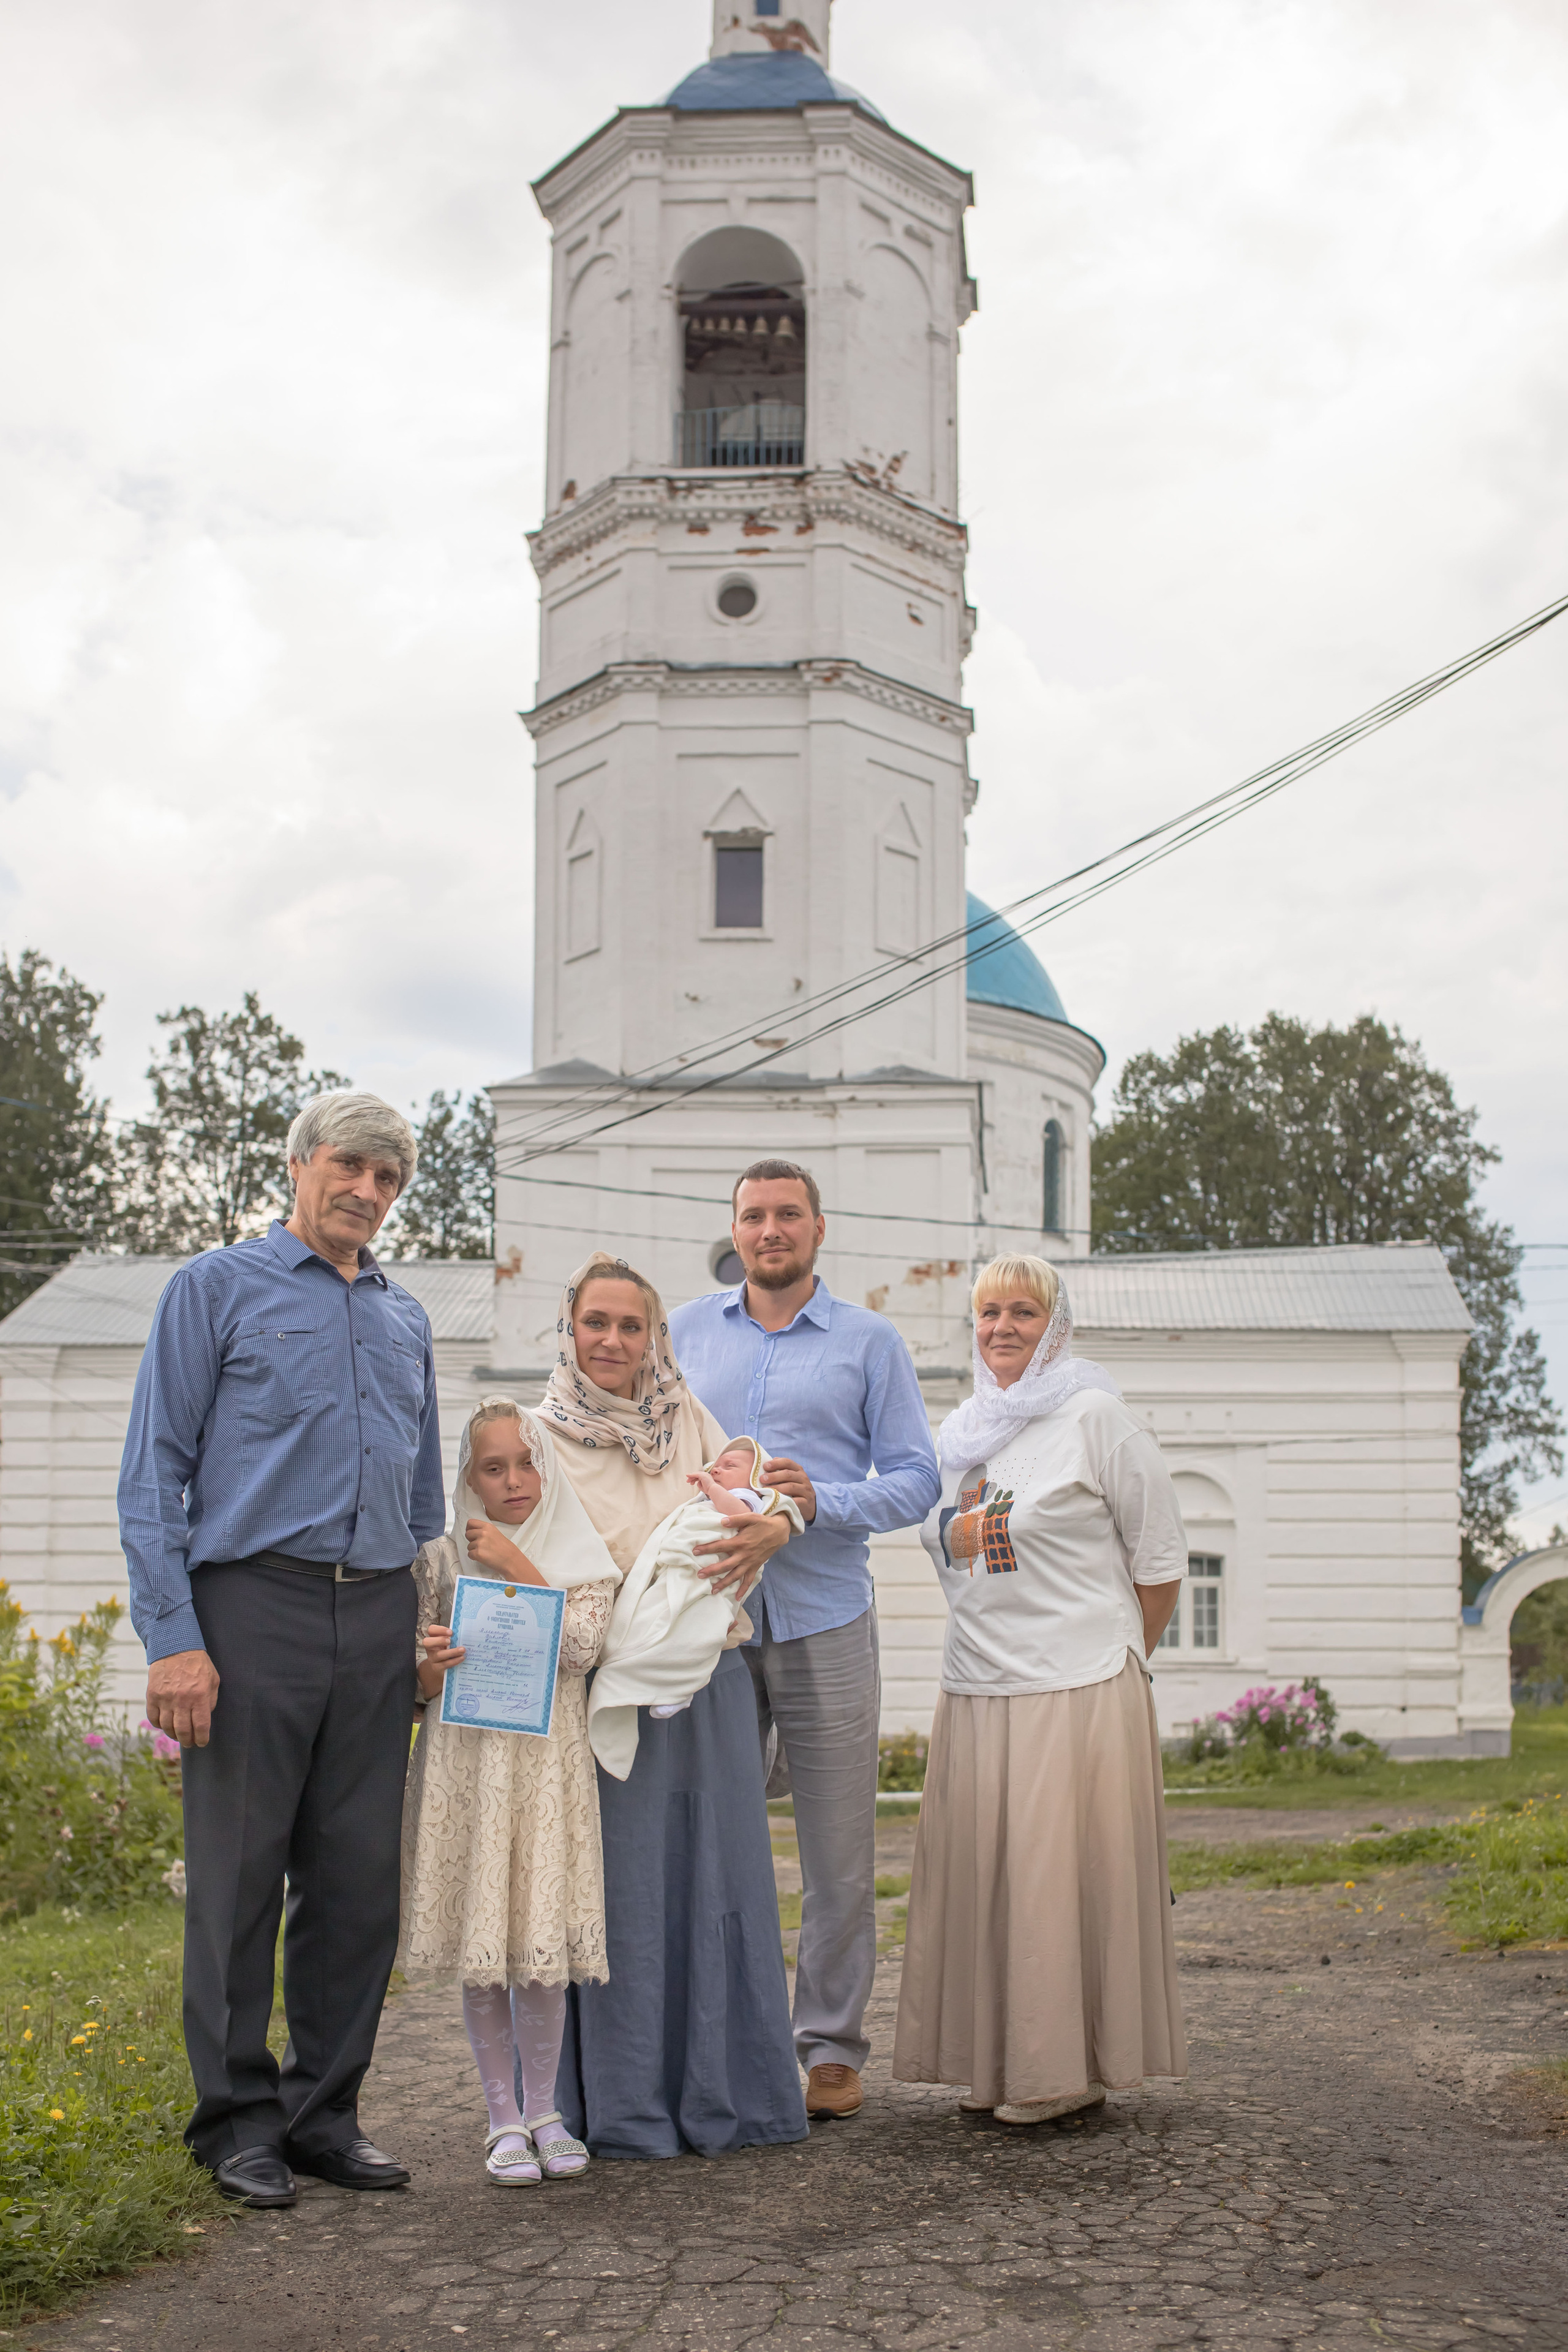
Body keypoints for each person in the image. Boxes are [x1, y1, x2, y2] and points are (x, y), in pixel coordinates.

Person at [117, 1091, 443, 2210]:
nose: (367, 1191)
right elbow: (152, 1472)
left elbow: (425, 1498)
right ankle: (235, 2124)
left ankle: (323, 2116)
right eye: (350, 1165)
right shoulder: (213, 1291)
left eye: (389, 1179)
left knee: (358, 1889)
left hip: (380, 1619)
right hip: (251, 1611)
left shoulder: (407, 1320)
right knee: (240, 1881)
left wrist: (426, 1624)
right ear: (301, 1163)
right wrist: (175, 1638)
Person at [669, 1158, 942, 2121]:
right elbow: (647, 1456)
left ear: (819, 1230)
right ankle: (726, 2039)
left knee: (838, 1853)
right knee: (713, 1841)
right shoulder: (685, 1333)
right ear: (735, 1230)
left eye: (788, 1215)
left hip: (826, 1612)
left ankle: (829, 2050)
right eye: (753, 1216)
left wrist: (822, 1501)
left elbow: (916, 1479)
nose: (770, 1230)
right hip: (707, 1622)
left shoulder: (870, 1342)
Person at [892, 1253, 1188, 2124]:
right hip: (980, 1682)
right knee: (993, 1882)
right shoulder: (958, 1435)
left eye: (1024, 1312)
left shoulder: (1097, 1417)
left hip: (1078, 1687)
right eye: (988, 1313)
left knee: (1059, 1882)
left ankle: (1066, 2073)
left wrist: (1119, 1661)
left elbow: (1161, 1564)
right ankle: (1000, 2068)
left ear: (1055, 1326)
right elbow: (940, 1535)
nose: (1003, 1328)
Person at [540, 1253, 809, 2160]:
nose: (614, 1341)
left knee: (722, 1883)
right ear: (569, 1329)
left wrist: (774, 1522)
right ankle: (623, 2106)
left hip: (711, 1685)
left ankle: (733, 2098)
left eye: (631, 1325)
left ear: (655, 1335)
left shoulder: (690, 1419)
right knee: (626, 1895)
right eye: (596, 1323)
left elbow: (749, 1515)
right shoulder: (539, 1437)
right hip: (603, 1690)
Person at [401, 1398, 620, 2185]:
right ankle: (501, 2119)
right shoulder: (440, 1554)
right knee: (488, 1942)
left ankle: (546, 2111)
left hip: (547, 1764)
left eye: (526, 1463)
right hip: (469, 1762)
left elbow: (586, 1646)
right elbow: (418, 1682)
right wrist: (431, 1661)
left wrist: (517, 1567)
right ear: (470, 1476)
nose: (514, 1480)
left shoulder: (576, 1549)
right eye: (493, 1468)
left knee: (539, 1944)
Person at [588, 1435, 805, 1777]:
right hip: (683, 1570)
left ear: (754, 1478)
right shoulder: (702, 1503)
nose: (717, 1468)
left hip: (708, 1581)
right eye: (715, 1464)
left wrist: (710, 1486)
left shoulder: (748, 1499)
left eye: (729, 1466)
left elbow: (737, 1519)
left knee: (693, 1631)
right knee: (652, 1627)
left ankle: (679, 1684)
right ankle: (655, 1681)